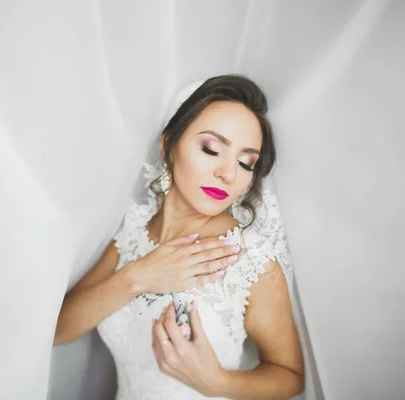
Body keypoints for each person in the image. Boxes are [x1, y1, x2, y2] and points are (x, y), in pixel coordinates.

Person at [54, 74, 304, 399]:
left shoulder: (249, 257)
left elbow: (291, 376)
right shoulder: (134, 231)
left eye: (246, 162)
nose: (228, 173)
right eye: (211, 149)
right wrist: (137, 276)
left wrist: (218, 383)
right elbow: (58, 329)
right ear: (168, 145)